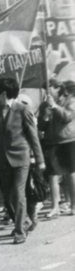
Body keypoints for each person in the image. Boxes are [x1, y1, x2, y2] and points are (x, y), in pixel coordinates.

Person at [0, 78, 44, 244]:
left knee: (18, 192)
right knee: (7, 197)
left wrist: (40, 159)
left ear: (3, 93)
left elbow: (33, 136)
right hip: (1, 159)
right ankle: (24, 221)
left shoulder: (23, 110)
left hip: (21, 158)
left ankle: (20, 231)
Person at [45, 81, 75, 217]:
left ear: (58, 88)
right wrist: (44, 115)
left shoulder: (71, 100)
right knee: (52, 174)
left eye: (50, 87)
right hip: (52, 141)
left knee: (70, 173)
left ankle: (74, 205)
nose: (47, 90)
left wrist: (55, 107)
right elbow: (41, 123)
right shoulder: (46, 102)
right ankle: (54, 206)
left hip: (67, 139)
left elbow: (67, 117)